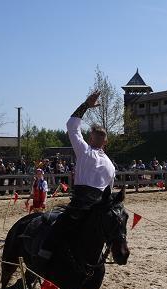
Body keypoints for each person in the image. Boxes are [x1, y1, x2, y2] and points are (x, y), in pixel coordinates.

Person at [37, 91, 115, 268]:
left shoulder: (85, 151)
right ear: (106, 141)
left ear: (90, 138)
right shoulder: (111, 165)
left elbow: (71, 125)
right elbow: (109, 192)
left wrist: (86, 105)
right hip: (100, 210)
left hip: (80, 207)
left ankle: (42, 259)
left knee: (58, 227)